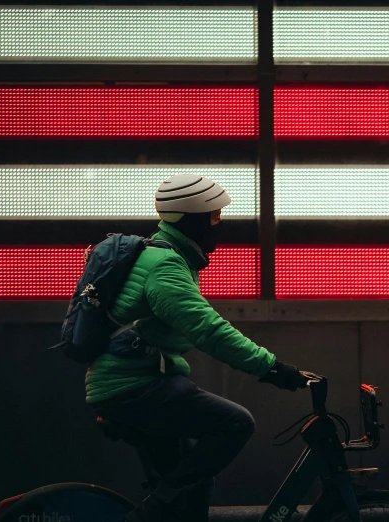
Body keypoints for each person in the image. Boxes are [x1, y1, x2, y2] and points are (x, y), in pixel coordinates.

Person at [86, 174, 310, 522]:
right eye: (214, 217)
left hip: (132, 382)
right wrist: (273, 368)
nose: (219, 226)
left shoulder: (164, 256)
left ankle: (161, 510)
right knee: (235, 423)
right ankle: (149, 514)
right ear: (192, 219)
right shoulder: (165, 266)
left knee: (195, 487)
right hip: (132, 386)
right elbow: (208, 329)